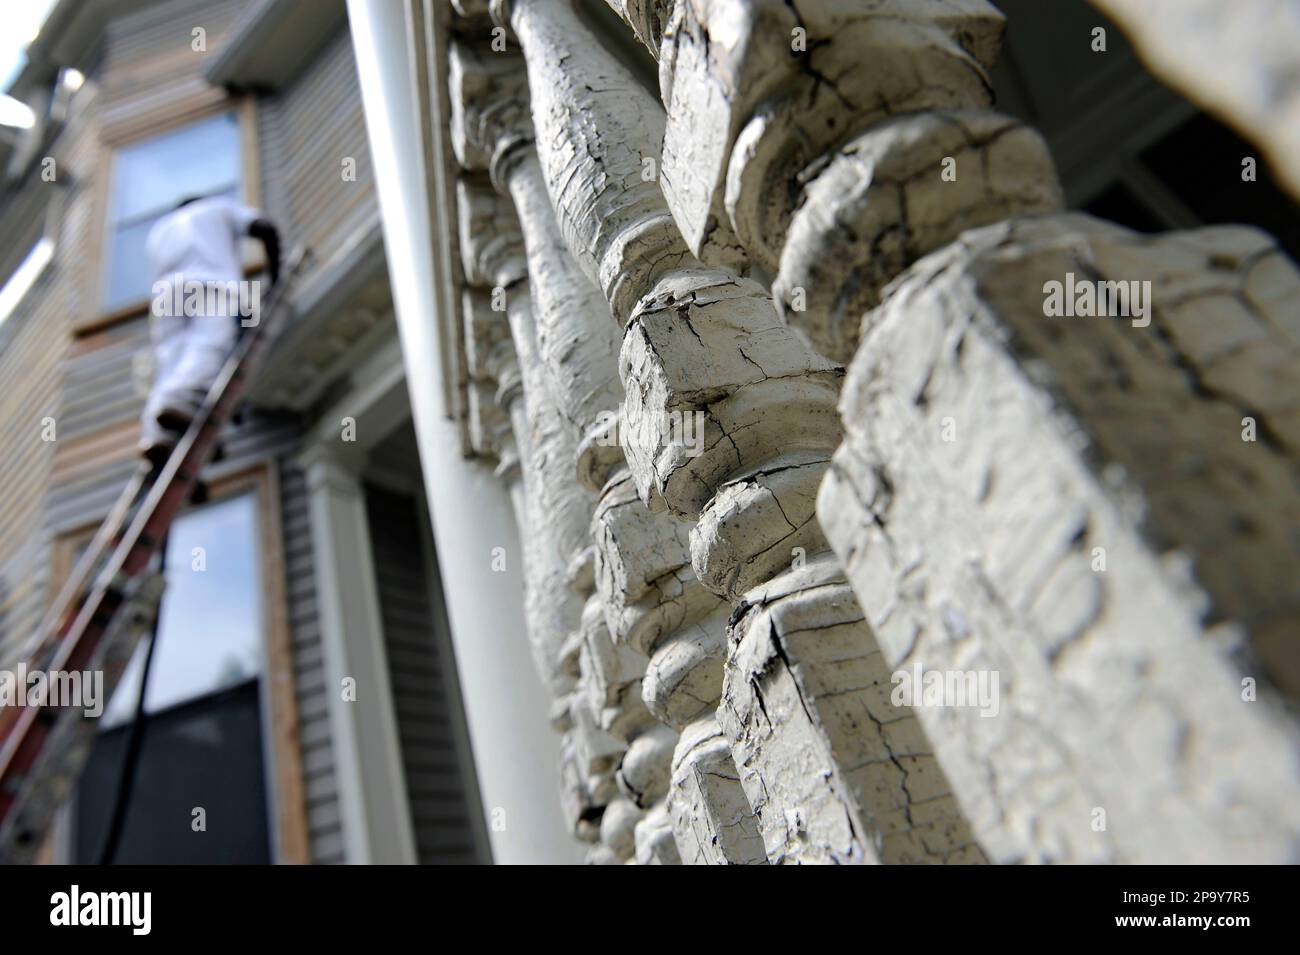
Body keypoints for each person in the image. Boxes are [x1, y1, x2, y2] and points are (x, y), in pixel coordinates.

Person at [138, 195, 280, 468]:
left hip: (167, 296)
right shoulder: (217, 207)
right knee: (209, 346)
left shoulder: (159, 231)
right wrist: (275, 275)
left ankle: (159, 436)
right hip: (210, 284)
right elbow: (264, 227)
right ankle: (184, 404)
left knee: (170, 364)